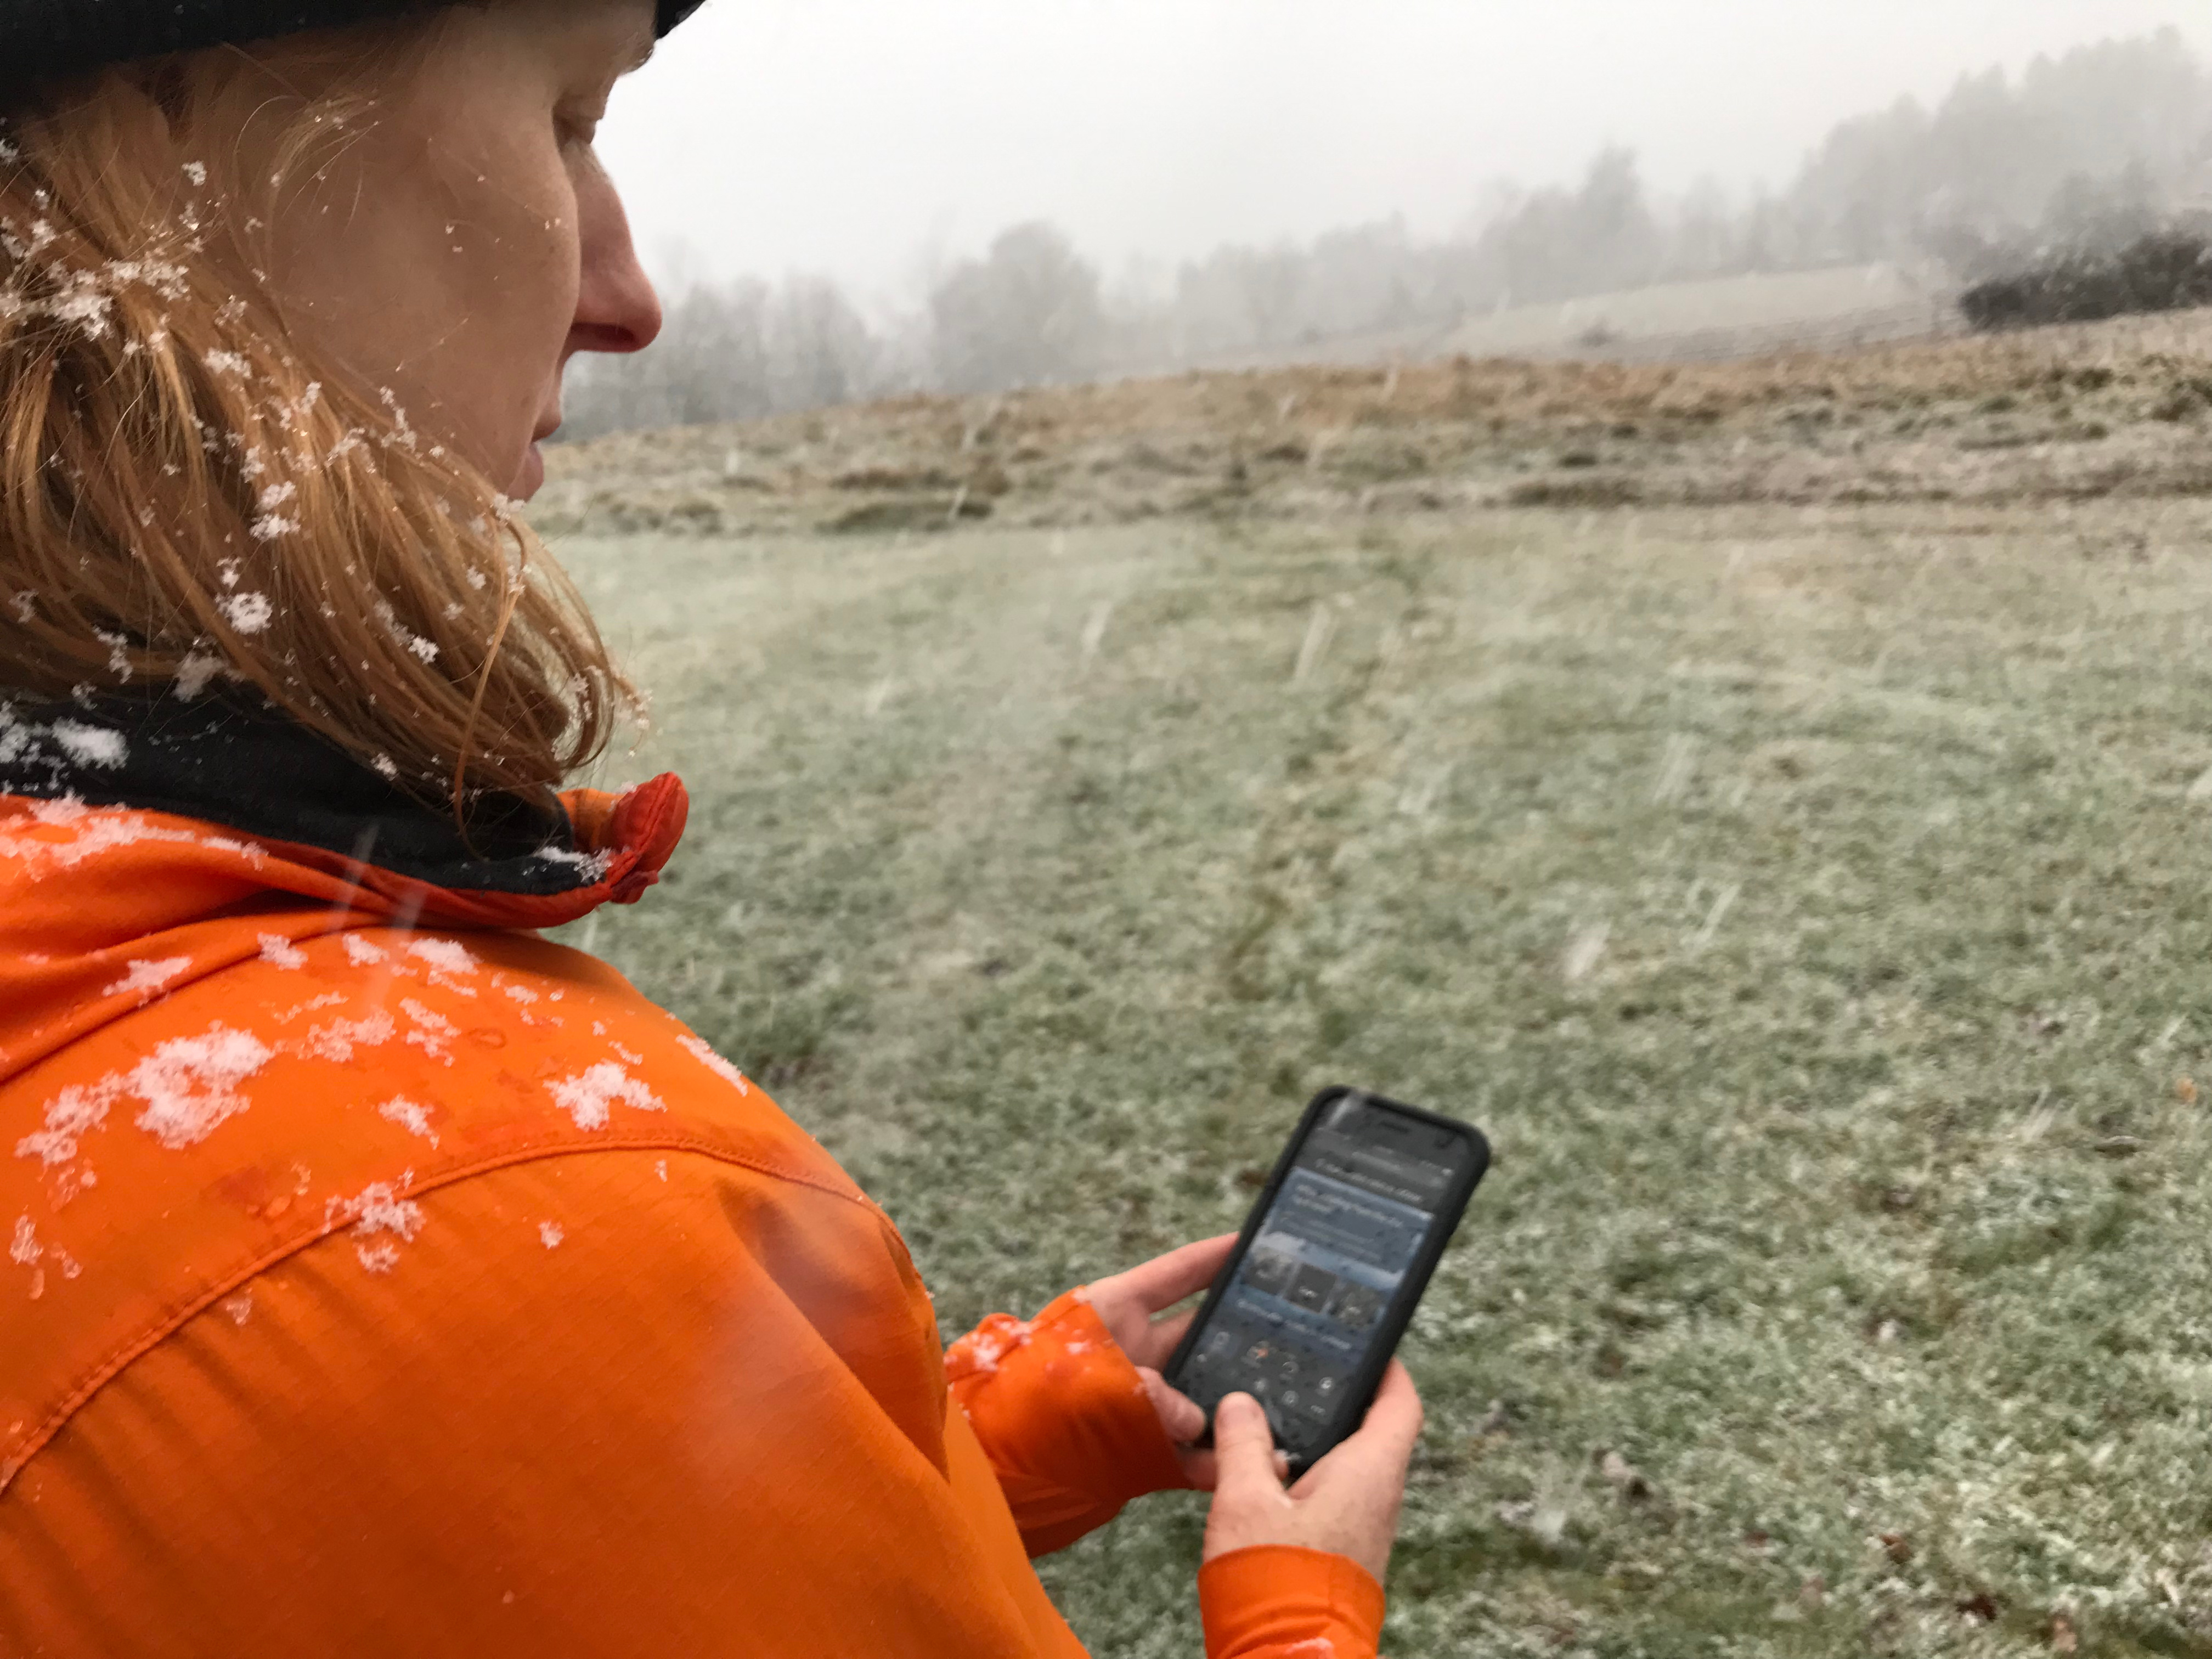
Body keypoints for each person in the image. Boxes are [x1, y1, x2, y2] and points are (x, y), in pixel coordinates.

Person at [0, 4, 1426, 1654]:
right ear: (169, 174)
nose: (629, 300)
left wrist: (975, 1439)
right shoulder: (481, 1229)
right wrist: (1299, 1612)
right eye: (567, 120)